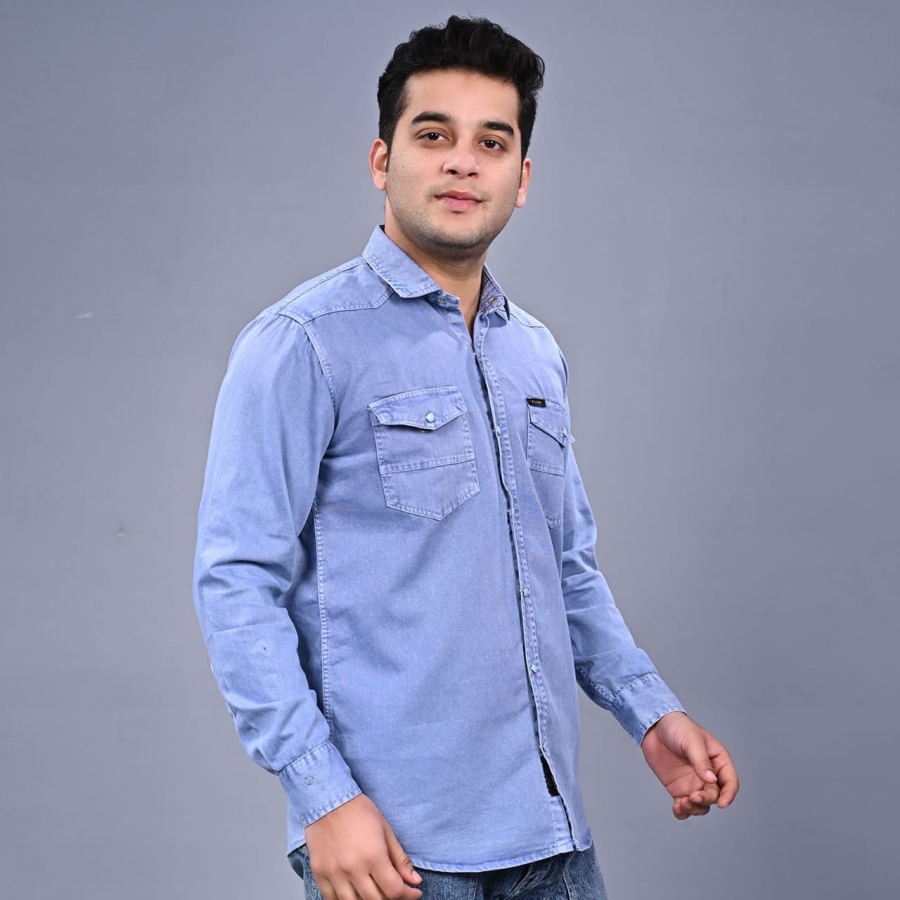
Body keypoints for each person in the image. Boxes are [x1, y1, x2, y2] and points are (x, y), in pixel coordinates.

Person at [193, 15, 739, 900]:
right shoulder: (303, 343)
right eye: (433, 135)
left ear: (521, 179)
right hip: (393, 852)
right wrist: (322, 796)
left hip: (552, 841)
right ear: (383, 161)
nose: (463, 163)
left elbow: (565, 569)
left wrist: (650, 712)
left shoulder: (536, 354)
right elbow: (236, 580)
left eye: (492, 142)